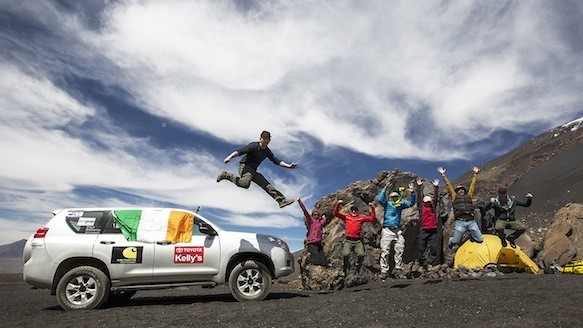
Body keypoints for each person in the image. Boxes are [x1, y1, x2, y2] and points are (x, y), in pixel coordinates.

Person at [217, 131, 296, 208]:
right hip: (244, 167)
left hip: (253, 171)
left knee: (266, 185)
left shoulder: (267, 151)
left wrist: (288, 166)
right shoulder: (254, 145)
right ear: (260, 139)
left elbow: (276, 161)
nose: (266, 141)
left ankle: (281, 200)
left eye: (268, 139)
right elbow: (240, 151)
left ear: (270, 140)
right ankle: (226, 175)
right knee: (244, 184)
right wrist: (229, 157)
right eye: (265, 139)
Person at [377, 181, 416, 279]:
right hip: (387, 230)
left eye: (396, 197)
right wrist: (385, 188)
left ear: (398, 197)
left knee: (400, 248)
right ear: (390, 198)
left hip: (397, 230)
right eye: (393, 197)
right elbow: (380, 199)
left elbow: (411, 203)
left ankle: (398, 268)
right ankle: (384, 271)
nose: (394, 198)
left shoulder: (400, 204)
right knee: (385, 251)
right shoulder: (387, 204)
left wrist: (412, 192)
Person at [438, 166, 483, 248]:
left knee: (480, 240)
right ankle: (451, 240)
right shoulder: (454, 196)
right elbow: (449, 185)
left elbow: (473, 185)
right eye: (459, 190)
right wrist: (443, 175)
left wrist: (475, 174)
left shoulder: (469, 195)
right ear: (456, 191)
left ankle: (472, 237)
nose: (461, 190)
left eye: (462, 189)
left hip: (471, 221)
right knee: (455, 241)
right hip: (460, 222)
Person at [333, 199, 376, 276]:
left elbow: (372, 218)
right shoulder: (347, 216)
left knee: (361, 254)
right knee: (345, 254)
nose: (354, 211)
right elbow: (335, 213)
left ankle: (357, 264)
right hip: (348, 240)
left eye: (355, 210)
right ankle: (345, 266)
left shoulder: (361, 217)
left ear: (357, 211)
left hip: (357, 241)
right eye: (352, 210)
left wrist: (373, 208)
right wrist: (338, 204)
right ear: (351, 211)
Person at [416, 177, 440, 267]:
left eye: (429, 202)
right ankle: (422, 262)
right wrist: (419, 186)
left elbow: (436, 197)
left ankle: (429, 262)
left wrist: (436, 187)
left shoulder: (433, 207)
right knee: (422, 246)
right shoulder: (421, 207)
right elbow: (419, 196)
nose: (428, 203)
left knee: (433, 247)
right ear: (423, 202)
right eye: (426, 202)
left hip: (433, 229)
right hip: (424, 229)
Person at [298, 197, 328, 266]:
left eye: (317, 215)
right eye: (315, 215)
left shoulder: (320, 223)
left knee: (324, 263)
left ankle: (316, 260)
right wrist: (299, 201)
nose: (316, 216)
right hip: (311, 244)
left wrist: (324, 217)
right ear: (312, 215)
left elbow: (325, 218)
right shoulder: (310, 221)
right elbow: (305, 211)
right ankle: (307, 259)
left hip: (318, 244)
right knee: (317, 261)